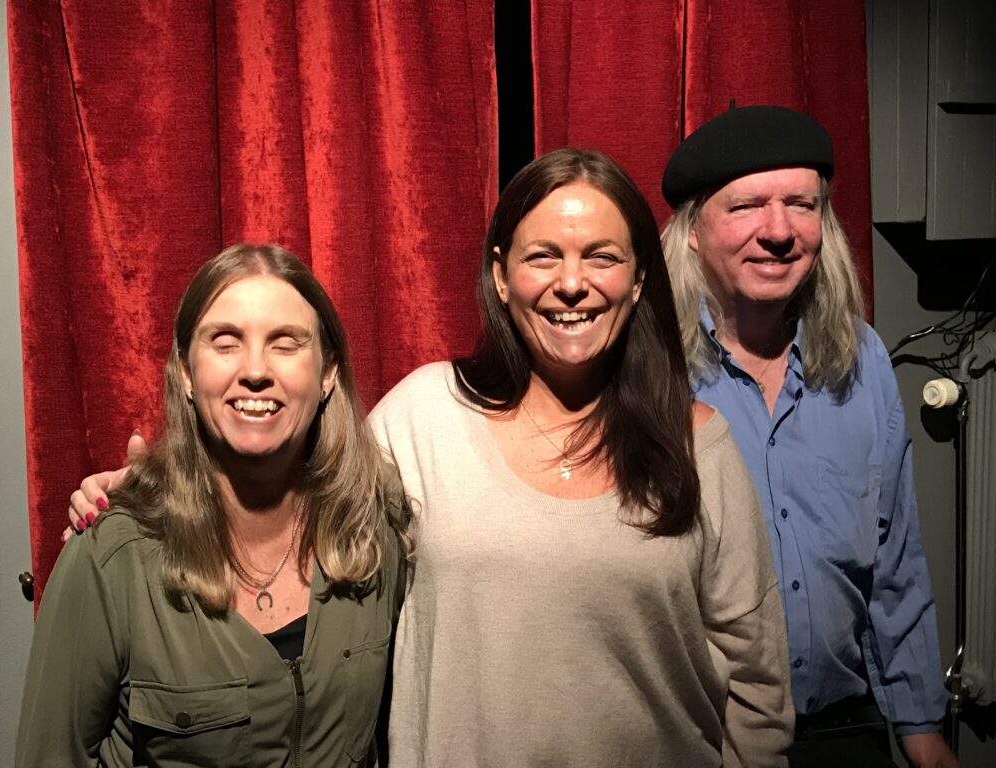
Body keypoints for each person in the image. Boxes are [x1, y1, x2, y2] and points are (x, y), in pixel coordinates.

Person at [69, 150, 793, 766]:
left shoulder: (700, 445)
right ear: (503, 276)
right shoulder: (425, 417)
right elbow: (288, 482)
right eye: (544, 255)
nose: (572, 282)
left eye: (601, 256)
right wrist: (150, 491)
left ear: (638, 281)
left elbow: (758, 687)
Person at [21, 244, 410, 767]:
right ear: (186, 370)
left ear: (327, 374)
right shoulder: (110, 559)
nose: (254, 370)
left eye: (285, 344)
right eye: (225, 343)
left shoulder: (373, 533)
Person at [659, 105, 957, 768]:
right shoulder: (646, 374)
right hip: (703, 741)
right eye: (745, 206)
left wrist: (920, 728)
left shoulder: (863, 358)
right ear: (691, 233)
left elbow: (894, 559)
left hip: (844, 733)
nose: (778, 231)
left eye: (802, 204)